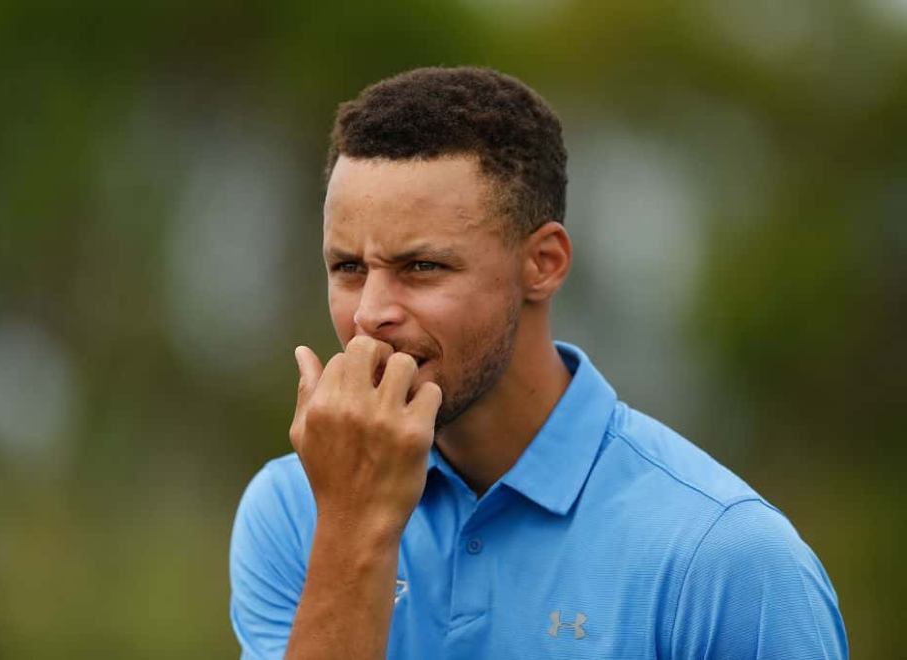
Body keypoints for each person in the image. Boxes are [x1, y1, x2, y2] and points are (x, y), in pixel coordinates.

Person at [229, 66, 848, 659]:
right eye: (348, 268)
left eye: (422, 267)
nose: (370, 314)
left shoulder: (725, 556)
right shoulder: (294, 510)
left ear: (543, 264)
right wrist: (350, 524)